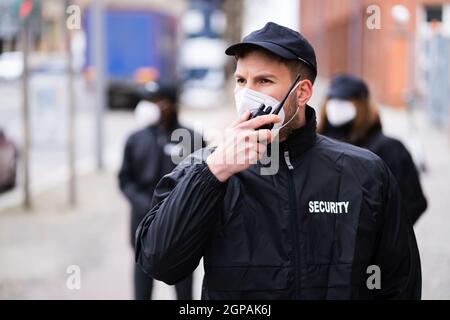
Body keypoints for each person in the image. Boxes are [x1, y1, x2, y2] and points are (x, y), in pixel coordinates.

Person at [135, 22, 421, 300]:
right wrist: (214, 172)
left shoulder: (364, 171)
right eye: (241, 81)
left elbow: (399, 281)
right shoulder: (204, 168)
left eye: (264, 81)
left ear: (303, 92)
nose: (247, 94)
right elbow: (160, 262)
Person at [118, 82, 203, 300]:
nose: (147, 106)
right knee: (141, 290)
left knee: (185, 293)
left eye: (154, 102)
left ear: (169, 105)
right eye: (146, 101)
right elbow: (124, 179)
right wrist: (142, 203)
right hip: (142, 226)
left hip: (181, 228)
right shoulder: (135, 139)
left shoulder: (191, 137)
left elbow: (203, 180)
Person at [318, 74, 428, 225]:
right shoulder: (315, 147)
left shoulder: (390, 149)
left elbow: (413, 201)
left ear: (362, 105)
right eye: (332, 99)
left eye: (345, 100)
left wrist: (381, 236)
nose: (336, 106)